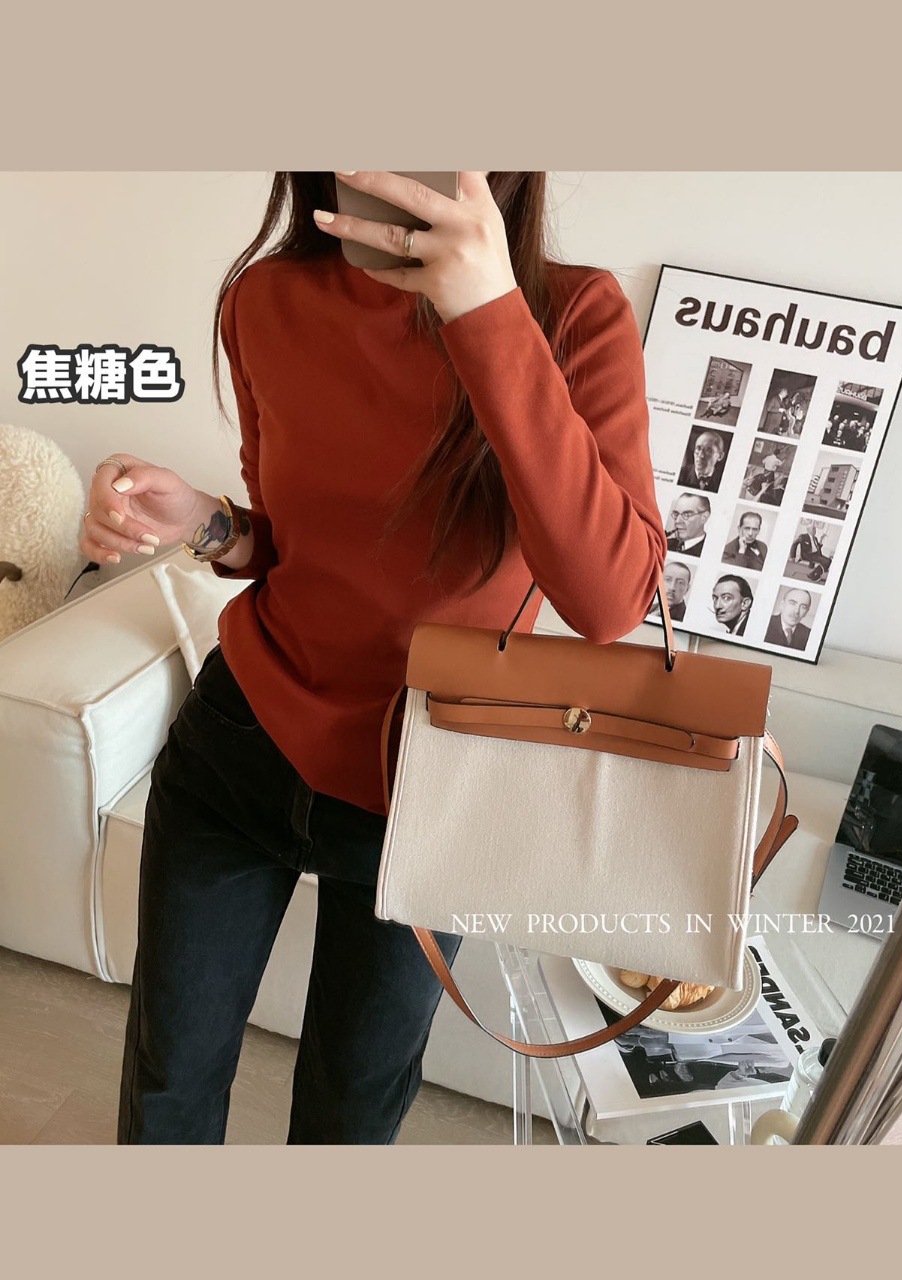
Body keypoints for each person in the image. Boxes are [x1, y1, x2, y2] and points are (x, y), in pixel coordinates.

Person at [79, 172, 666, 1146]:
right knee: (167, 1086)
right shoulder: (266, 299)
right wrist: (205, 521)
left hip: (430, 786)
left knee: (348, 1120)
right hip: (242, 743)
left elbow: (607, 601)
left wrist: (486, 310)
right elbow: (287, 545)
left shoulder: (574, 315)